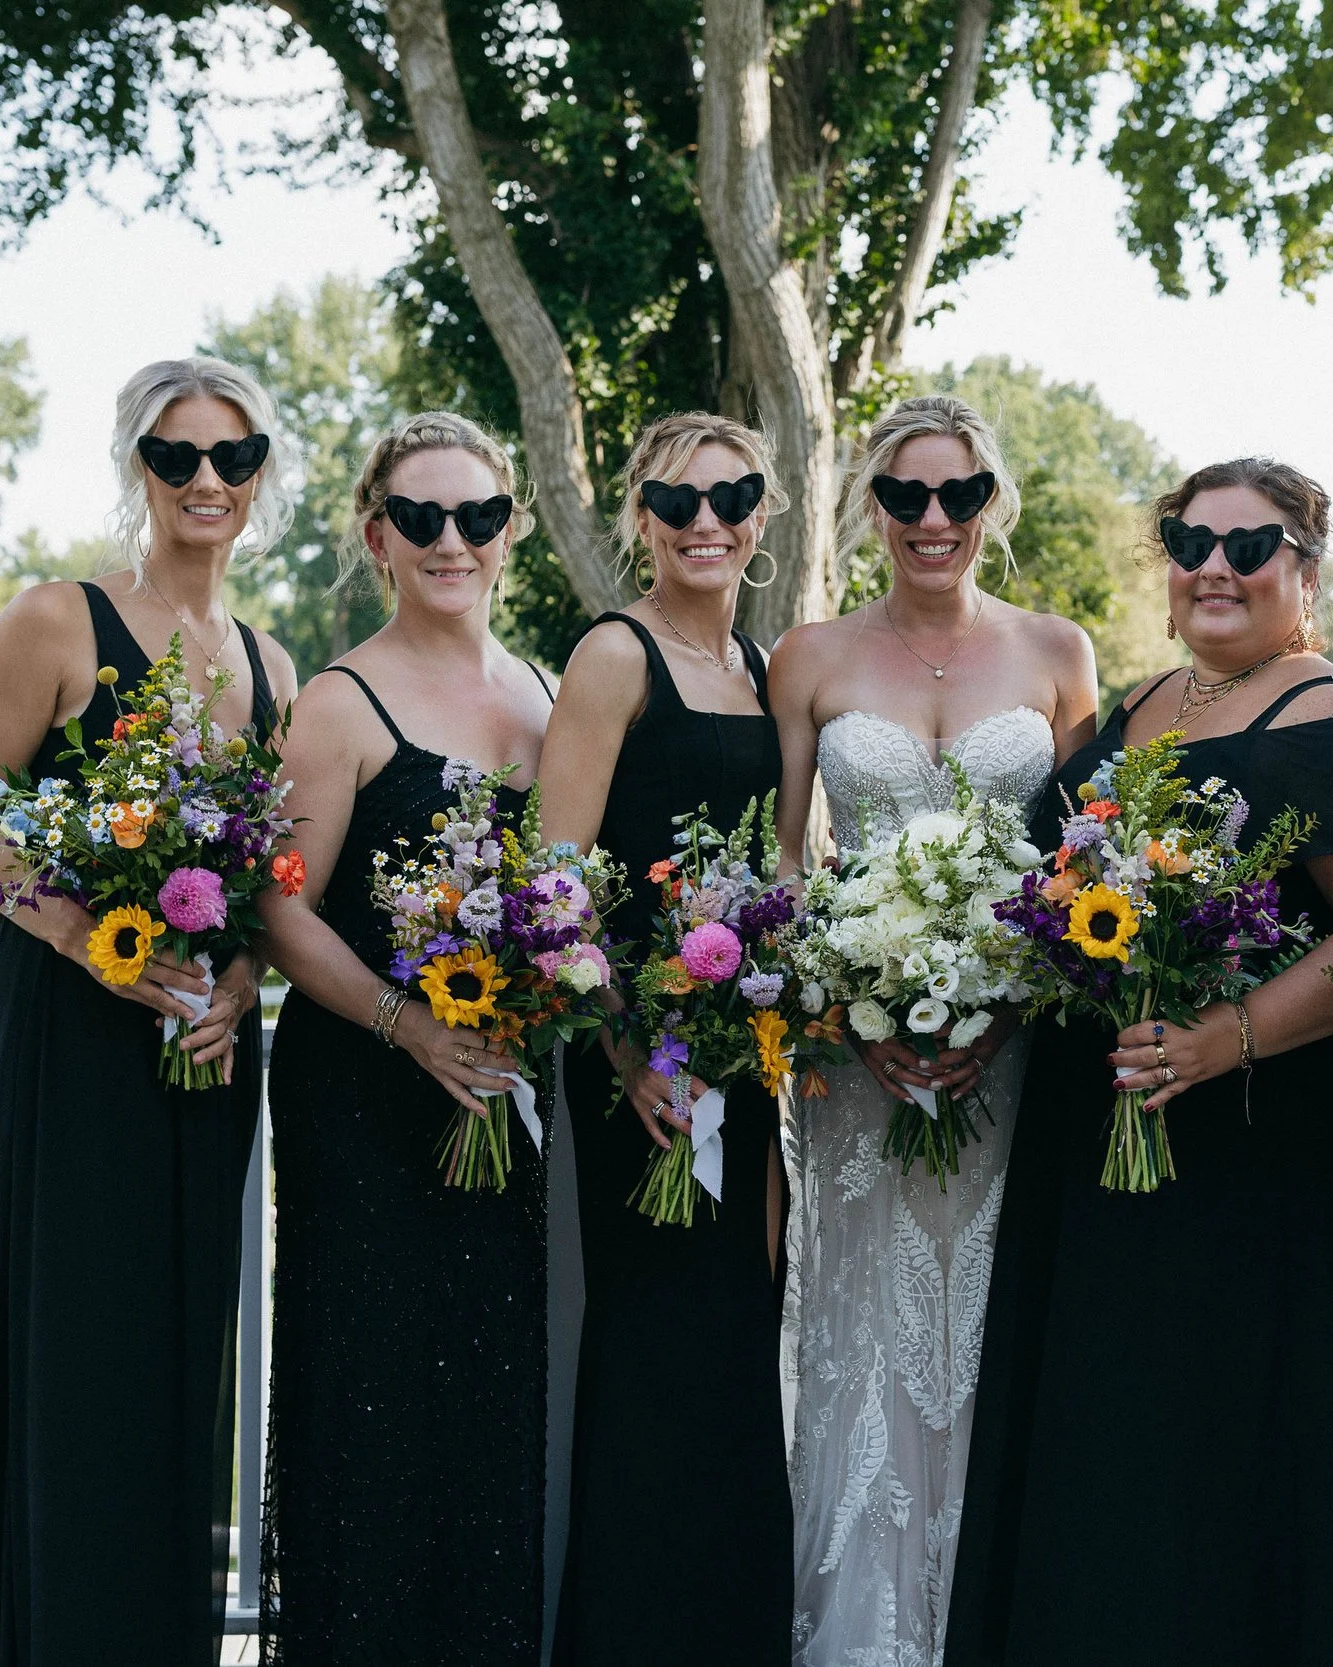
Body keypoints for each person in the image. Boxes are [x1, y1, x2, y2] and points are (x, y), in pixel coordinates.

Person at [946, 458, 1333, 1667]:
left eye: (1250, 542)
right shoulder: (1138, 705)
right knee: (1113, 1442)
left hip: (1258, 1172)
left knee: (1218, 1451)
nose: (1214, 562)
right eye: (1190, 537)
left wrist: (1232, 1034)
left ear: (1305, 574)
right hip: (1107, 1145)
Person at [0, 356, 298, 1665]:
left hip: (201, 1055)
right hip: (74, 1042)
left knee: (171, 1375)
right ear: (136, 465)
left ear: (260, 478)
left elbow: (274, 878)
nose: (205, 481)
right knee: (72, 1365)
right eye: (176, 455)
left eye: (231, 458)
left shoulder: (271, 662)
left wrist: (242, 979)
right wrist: (88, 938)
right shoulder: (58, 621)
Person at [770, 394, 1099, 1664]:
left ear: (990, 504)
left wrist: (1012, 1008)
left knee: (1001, 1324)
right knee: (861, 1332)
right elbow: (786, 868)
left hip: (1015, 1063)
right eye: (906, 496)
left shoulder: (1059, 653)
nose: (933, 518)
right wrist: (849, 1017)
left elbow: (1090, 874)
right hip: (862, 1068)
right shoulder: (809, 653)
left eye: (958, 494)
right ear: (871, 508)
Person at [256, 412, 557, 1663]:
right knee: (375, 1398)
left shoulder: (546, 689)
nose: (451, 541)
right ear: (378, 536)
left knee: (492, 1398)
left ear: (510, 533)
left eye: (477, 516)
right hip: (366, 1094)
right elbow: (276, 902)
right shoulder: (341, 700)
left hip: (499, 1090)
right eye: (422, 519)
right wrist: (407, 1022)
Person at [540, 411, 794, 1663]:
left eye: (731, 495)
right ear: (638, 516)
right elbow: (553, 885)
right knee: (659, 1369)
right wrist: (624, 1051)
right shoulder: (613, 656)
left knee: (745, 1358)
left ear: (765, 509)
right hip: (644, 1074)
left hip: (750, 1066)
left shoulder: (762, 665)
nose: (706, 520)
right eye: (677, 499)